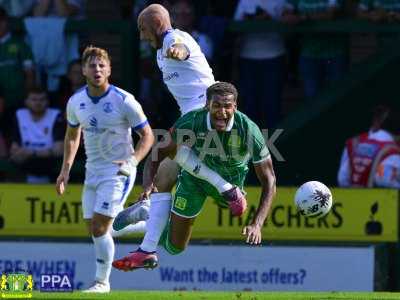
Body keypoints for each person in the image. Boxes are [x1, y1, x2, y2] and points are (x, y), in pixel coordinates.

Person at [113, 82, 277, 270]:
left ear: (235, 107)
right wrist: (148, 184)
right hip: (195, 181)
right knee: (175, 247)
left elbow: (269, 180)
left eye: (227, 106)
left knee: (239, 209)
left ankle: (146, 215)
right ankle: (148, 211)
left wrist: (257, 224)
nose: (222, 112)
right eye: (216, 105)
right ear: (207, 105)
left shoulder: (248, 130)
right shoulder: (192, 121)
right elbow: (158, 153)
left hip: (230, 185)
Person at [113, 4, 247, 232]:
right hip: (192, 115)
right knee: (164, 176)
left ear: (155, 26)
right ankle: (147, 224)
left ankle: (225, 187)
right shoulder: (158, 52)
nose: (142, 36)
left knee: (159, 153)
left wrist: (178, 51)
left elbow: (181, 48)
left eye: (142, 29)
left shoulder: (173, 38)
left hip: (206, 110)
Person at [55, 46, 154, 293]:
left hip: (118, 171)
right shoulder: (76, 101)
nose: (97, 69)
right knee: (95, 229)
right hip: (92, 171)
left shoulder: (124, 100)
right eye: (92, 65)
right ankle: (149, 222)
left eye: (101, 65)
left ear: (109, 69)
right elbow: (71, 135)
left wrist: (132, 161)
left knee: (100, 228)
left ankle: (102, 282)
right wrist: (65, 170)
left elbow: (148, 136)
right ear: (83, 70)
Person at [234, 0, 286, 129]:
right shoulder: (244, 2)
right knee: (250, 102)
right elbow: (235, 26)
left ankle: (274, 143)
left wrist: (269, 19)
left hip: (274, 55)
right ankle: (251, 143)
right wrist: (250, 19)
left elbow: (288, 27)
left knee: (272, 102)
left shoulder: (280, 2)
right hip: (248, 56)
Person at [10, 86, 64, 183]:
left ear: (47, 101)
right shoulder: (19, 115)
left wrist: (32, 152)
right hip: (26, 163)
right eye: (34, 99)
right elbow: (14, 148)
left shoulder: (56, 115)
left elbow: (59, 150)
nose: (38, 103)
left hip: (49, 163)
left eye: (42, 99)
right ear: (26, 101)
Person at [337, 105, 400, 188]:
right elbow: (382, 177)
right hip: (378, 199)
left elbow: (342, 179)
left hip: (351, 199)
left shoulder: (357, 144)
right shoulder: (392, 152)